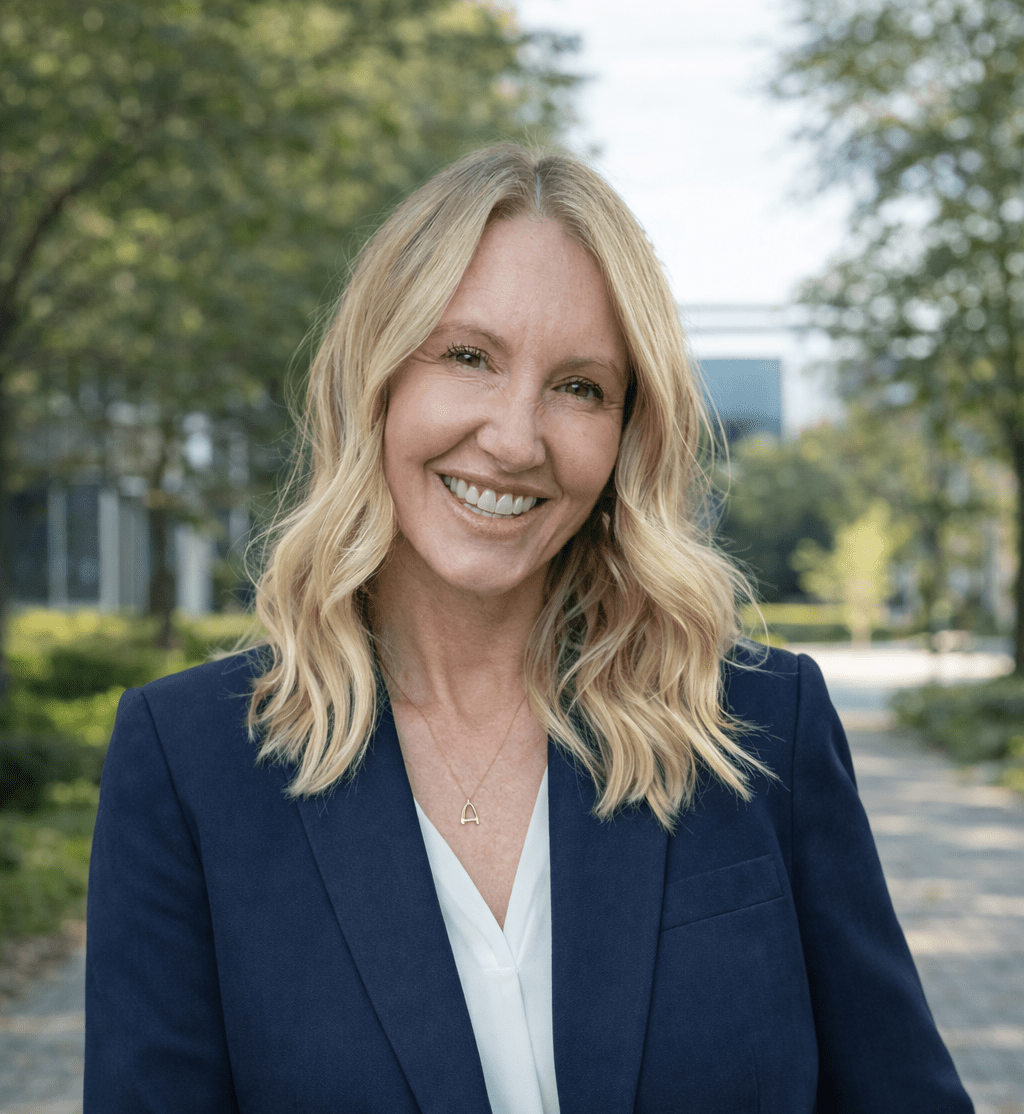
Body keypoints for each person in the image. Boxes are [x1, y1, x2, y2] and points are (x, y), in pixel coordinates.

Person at [84, 144, 974, 1113]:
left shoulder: (759, 726)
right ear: (374, 380)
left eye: (580, 386)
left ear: (628, 433)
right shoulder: (191, 763)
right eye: (469, 356)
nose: (515, 438)